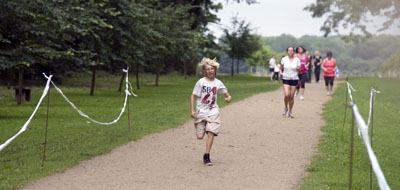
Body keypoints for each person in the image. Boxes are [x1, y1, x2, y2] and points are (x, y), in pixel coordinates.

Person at [190, 57, 232, 166]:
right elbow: (193, 96)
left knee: (211, 133)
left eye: (212, 69)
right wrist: (192, 110)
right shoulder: (201, 82)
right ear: (204, 71)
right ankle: (202, 127)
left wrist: (228, 98)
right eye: (207, 69)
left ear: (215, 70)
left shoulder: (218, 83)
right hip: (201, 112)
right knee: (200, 136)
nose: (210, 71)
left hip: (213, 111)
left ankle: (207, 155)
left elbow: (227, 94)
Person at [280, 46, 301, 118]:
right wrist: (280, 72)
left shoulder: (297, 60)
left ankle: (290, 111)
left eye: (292, 51)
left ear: (294, 52)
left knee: (291, 96)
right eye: (289, 50)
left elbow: (299, 72)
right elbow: (281, 68)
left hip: (294, 79)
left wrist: (298, 69)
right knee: (286, 95)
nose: (290, 52)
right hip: (285, 78)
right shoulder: (284, 59)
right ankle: (286, 107)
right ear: (287, 51)